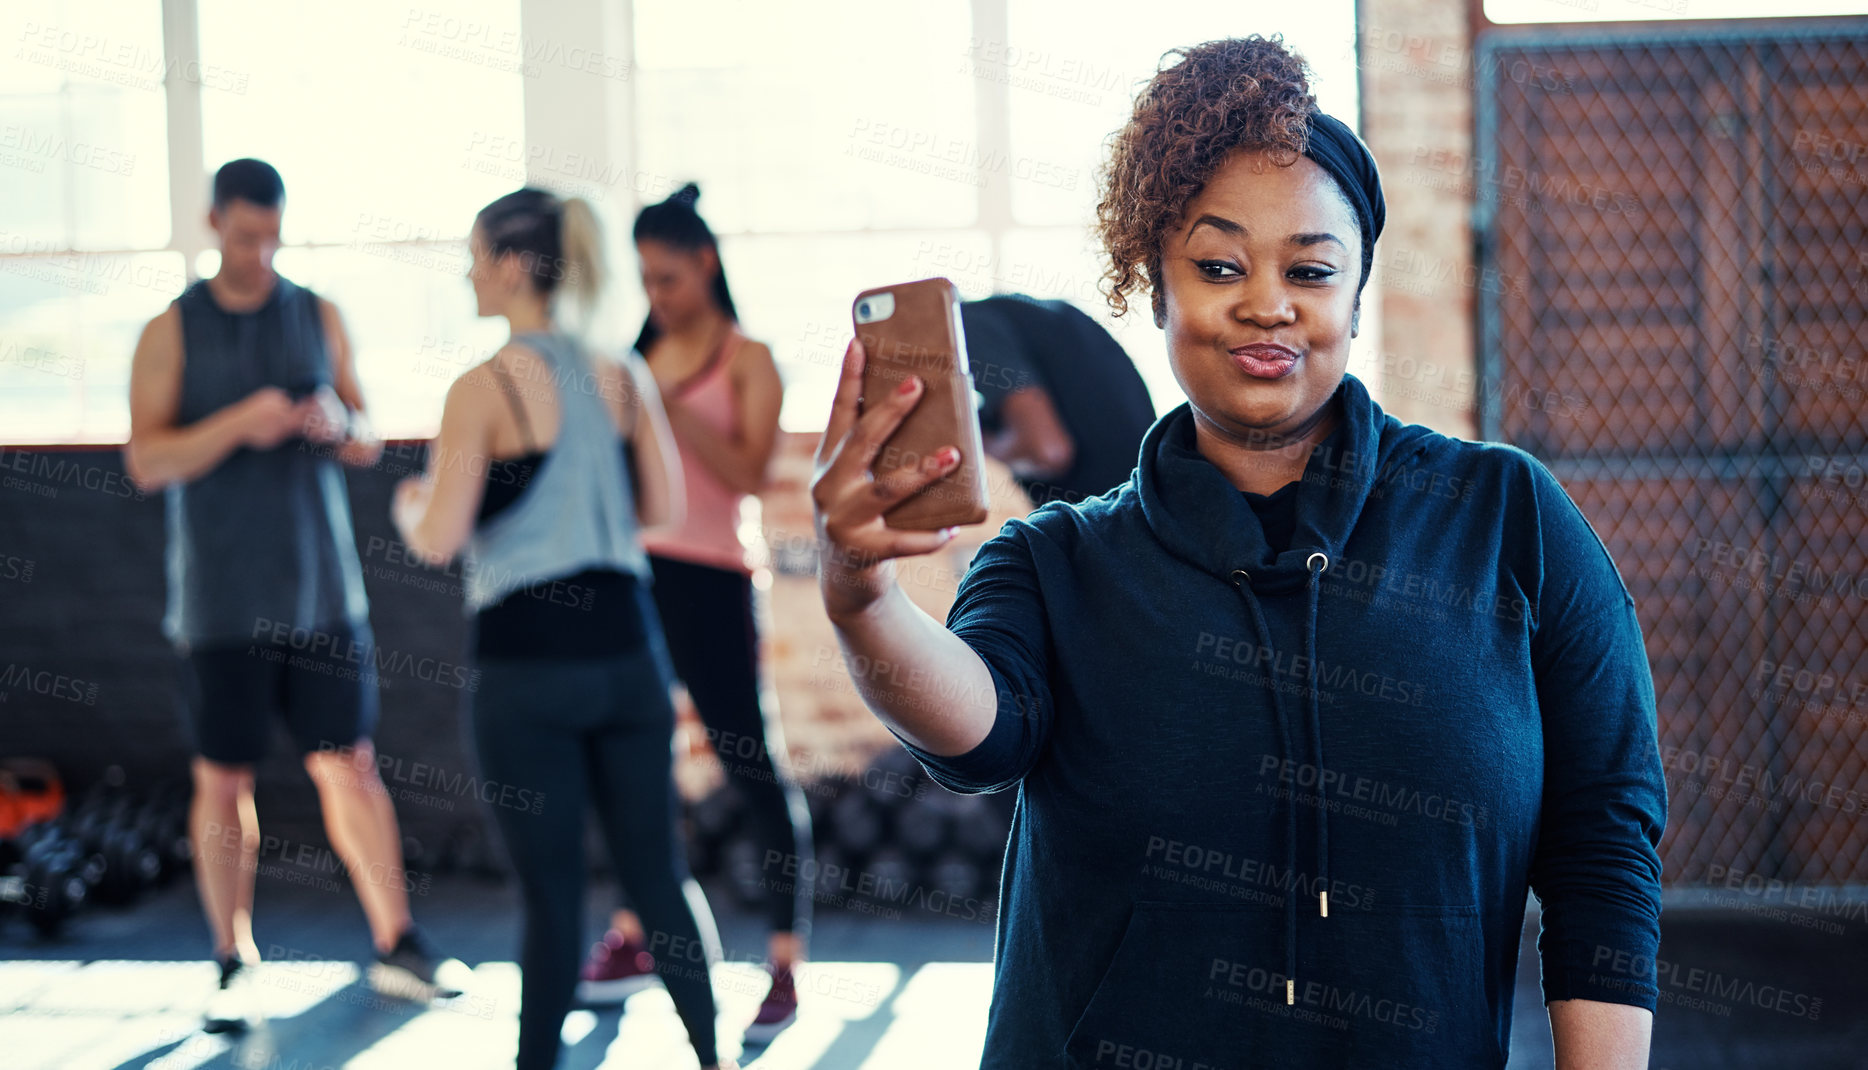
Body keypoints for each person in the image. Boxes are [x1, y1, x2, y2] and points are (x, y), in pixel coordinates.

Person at [809, 37, 1666, 1070]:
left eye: (1308, 268)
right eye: (1217, 265)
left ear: (1355, 291)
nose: (1266, 303)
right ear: (1153, 286)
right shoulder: (1056, 559)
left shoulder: (1506, 517)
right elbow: (976, 732)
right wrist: (862, 596)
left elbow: (1602, 834)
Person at [390, 187, 734, 1070]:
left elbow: (438, 539)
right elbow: (659, 508)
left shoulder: (483, 388)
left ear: (510, 265)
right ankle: (714, 1056)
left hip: (527, 671)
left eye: (473, 254)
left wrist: (410, 503)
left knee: (551, 899)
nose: (466, 271)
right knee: (658, 875)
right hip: (627, 656)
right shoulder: (620, 372)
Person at [124, 158, 463, 1034]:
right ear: (213, 225)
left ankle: (399, 943)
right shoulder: (172, 331)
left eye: (272, 234)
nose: (259, 250)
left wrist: (331, 423)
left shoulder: (318, 312)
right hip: (219, 603)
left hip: (321, 594)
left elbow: (363, 431)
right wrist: (241, 422)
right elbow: (146, 460)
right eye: (243, 236)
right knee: (223, 775)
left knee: (350, 763)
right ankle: (232, 960)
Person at [575, 183, 810, 1041]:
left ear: (705, 264)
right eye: (644, 280)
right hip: (635, 580)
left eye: (668, 278)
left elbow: (751, 472)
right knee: (635, 765)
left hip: (712, 580)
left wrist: (664, 405)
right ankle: (640, 933)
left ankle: (783, 963)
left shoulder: (748, 358)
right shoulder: (636, 352)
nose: (656, 297)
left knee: (750, 768)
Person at [958, 293, 1156, 507]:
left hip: (1105, 512)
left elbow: (1047, 453)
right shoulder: (1027, 312)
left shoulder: (963, 326)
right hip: (1144, 493)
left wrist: (963, 450)